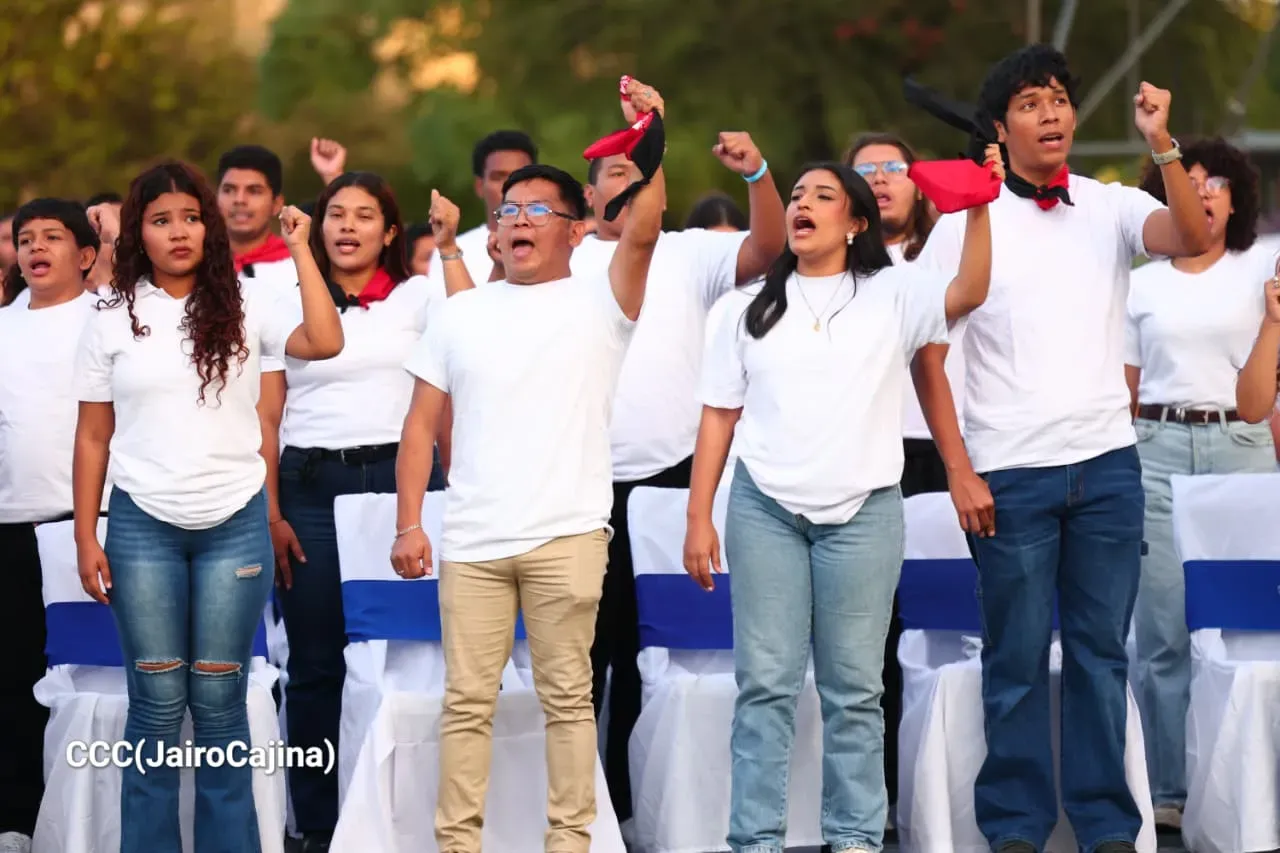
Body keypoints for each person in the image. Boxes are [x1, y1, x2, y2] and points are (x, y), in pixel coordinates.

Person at [914, 45, 1211, 853]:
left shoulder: (1109, 205)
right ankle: (1013, 827)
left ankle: (1107, 826)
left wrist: (1162, 140)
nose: (1051, 114)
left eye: (1059, 100)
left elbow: (1190, 233)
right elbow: (928, 355)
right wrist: (959, 467)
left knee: (1099, 657)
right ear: (1000, 127)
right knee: (1012, 660)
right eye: (1030, 102)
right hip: (1009, 470)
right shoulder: (961, 226)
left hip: (1109, 465)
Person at [684, 151, 998, 853]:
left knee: (855, 688)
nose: (801, 204)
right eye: (797, 194)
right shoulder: (742, 308)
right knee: (764, 683)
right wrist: (697, 514)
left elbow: (971, 288)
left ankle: (854, 836)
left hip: (864, 512)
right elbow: (717, 417)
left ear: (856, 221)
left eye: (822, 196)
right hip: (764, 508)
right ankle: (756, 838)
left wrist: (979, 202)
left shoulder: (896, 294)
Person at [392, 102, 665, 848]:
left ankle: (569, 841)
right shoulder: (460, 313)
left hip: (568, 533)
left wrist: (651, 133)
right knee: (466, 702)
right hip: (474, 537)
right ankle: (458, 842)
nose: (517, 218)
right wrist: (410, 520)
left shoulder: (601, 300)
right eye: (508, 207)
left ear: (577, 229)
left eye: (538, 207)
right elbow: (420, 424)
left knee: (568, 699)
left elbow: (644, 221)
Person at [72, 161, 344, 853]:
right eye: (161, 220)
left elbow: (326, 339)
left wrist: (301, 250)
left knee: (221, 707)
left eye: (191, 216)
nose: (179, 231)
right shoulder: (109, 316)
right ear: (140, 233)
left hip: (234, 524)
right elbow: (93, 434)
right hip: (140, 529)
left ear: (210, 225)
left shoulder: (249, 303)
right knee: (157, 708)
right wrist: (86, 534)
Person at [569, 78, 787, 833]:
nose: (632, 187)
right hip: (580, 489)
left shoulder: (692, 253)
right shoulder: (562, 264)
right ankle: (588, 819)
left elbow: (770, 246)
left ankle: (643, 815)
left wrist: (758, 176)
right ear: (590, 199)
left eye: (645, 171)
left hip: (672, 484)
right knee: (585, 657)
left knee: (650, 657)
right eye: (618, 174)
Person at [259, 171, 446, 853]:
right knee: (315, 660)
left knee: (409, 652)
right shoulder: (283, 295)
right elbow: (268, 411)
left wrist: (451, 246)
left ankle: (401, 813)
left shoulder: (419, 296)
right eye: (334, 213)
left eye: (364, 215)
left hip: (400, 482)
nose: (346, 226)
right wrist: (272, 510)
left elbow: (466, 357)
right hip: (309, 484)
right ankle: (316, 821)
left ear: (390, 232)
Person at [1124, 137, 1278, 831]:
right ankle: (1168, 787)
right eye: (1190, 180)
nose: (1205, 189)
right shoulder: (1139, 280)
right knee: (1160, 627)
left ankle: (1244, 780)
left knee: (1243, 620)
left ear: (1238, 195)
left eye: (1217, 180)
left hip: (1242, 446)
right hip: (1153, 447)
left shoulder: (1262, 268)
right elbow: (1121, 389)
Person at [845, 130, 952, 825]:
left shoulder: (949, 252)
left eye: (893, 168)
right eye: (866, 172)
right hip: (868, 457)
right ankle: (877, 797)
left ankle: (941, 792)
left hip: (944, 457)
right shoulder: (832, 268)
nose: (882, 179)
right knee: (873, 636)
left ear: (917, 183)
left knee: (945, 630)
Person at [0, 199, 102, 853]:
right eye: (26, 238)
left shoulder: (112, 320)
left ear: (86, 254)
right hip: (12, 521)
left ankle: (93, 817)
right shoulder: (2, 326)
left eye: (54, 237)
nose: (36, 248)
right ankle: (15, 817)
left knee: (91, 676)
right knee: (13, 674)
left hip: (90, 524)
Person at [425, 129, 538, 289]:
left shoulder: (565, 246)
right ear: (479, 186)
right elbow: (452, 313)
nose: (509, 186)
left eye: (520, 176)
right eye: (498, 177)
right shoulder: (450, 252)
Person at [217, 144, 298, 293]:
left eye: (254, 191)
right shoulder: (195, 263)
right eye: (229, 190)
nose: (239, 200)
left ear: (277, 204)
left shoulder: (300, 266)